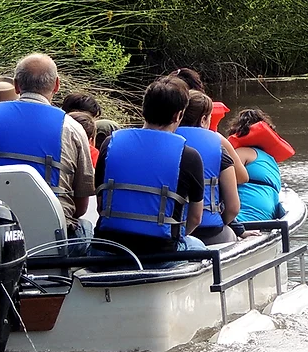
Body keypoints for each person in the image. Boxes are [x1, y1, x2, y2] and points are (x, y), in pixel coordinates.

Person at [0, 53, 96, 243]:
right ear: (57, 85)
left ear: (16, 85)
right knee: (86, 227)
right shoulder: (72, 128)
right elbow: (81, 205)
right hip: (53, 234)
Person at [94, 77, 206, 258]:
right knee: (199, 247)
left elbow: (100, 205)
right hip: (161, 253)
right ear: (178, 115)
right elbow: (195, 218)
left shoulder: (109, 143)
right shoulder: (189, 156)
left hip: (107, 248)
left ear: (143, 109)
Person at [176, 91, 242, 245]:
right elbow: (233, 208)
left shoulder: (165, 142)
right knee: (231, 236)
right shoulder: (218, 147)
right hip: (209, 231)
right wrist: (220, 220)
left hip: (168, 229)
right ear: (204, 119)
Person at [227, 108, 294, 223]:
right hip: (267, 213)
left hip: (245, 215)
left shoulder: (242, 153)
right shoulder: (271, 160)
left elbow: (223, 181)